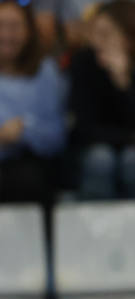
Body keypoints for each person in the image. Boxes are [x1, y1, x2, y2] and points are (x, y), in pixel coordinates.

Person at [66, 0, 135, 199]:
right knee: (101, 159)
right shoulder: (83, 63)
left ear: (129, 36)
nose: (97, 41)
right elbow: (85, 128)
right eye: (93, 33)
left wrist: (124, 83)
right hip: (96, 150)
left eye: (105, 34)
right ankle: (96, 225)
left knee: (132, 160)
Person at [0, 0, 65, 204]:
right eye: (0, 26)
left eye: (14, 27)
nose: (6, 35)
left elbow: (56, 136)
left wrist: (23, 130)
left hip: (33, 166)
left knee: (29, 177)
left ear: (29, 31)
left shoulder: (46, 72)